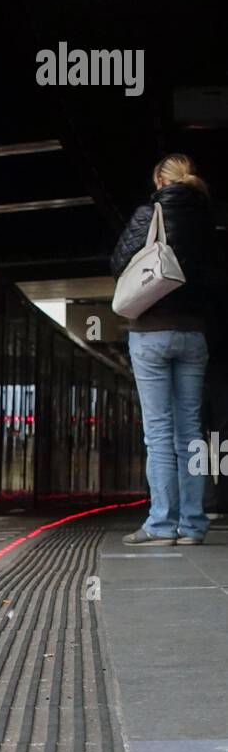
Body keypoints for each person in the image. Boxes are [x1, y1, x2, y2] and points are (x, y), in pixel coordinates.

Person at [111, 154, 220, 545]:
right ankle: (192, 526)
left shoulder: (150, 211)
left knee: (158, 433)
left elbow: (119, 262)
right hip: (193, 335)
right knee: (190, 433)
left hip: (151, 332)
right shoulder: (207, 220)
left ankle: (161, 524)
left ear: (160, 180)